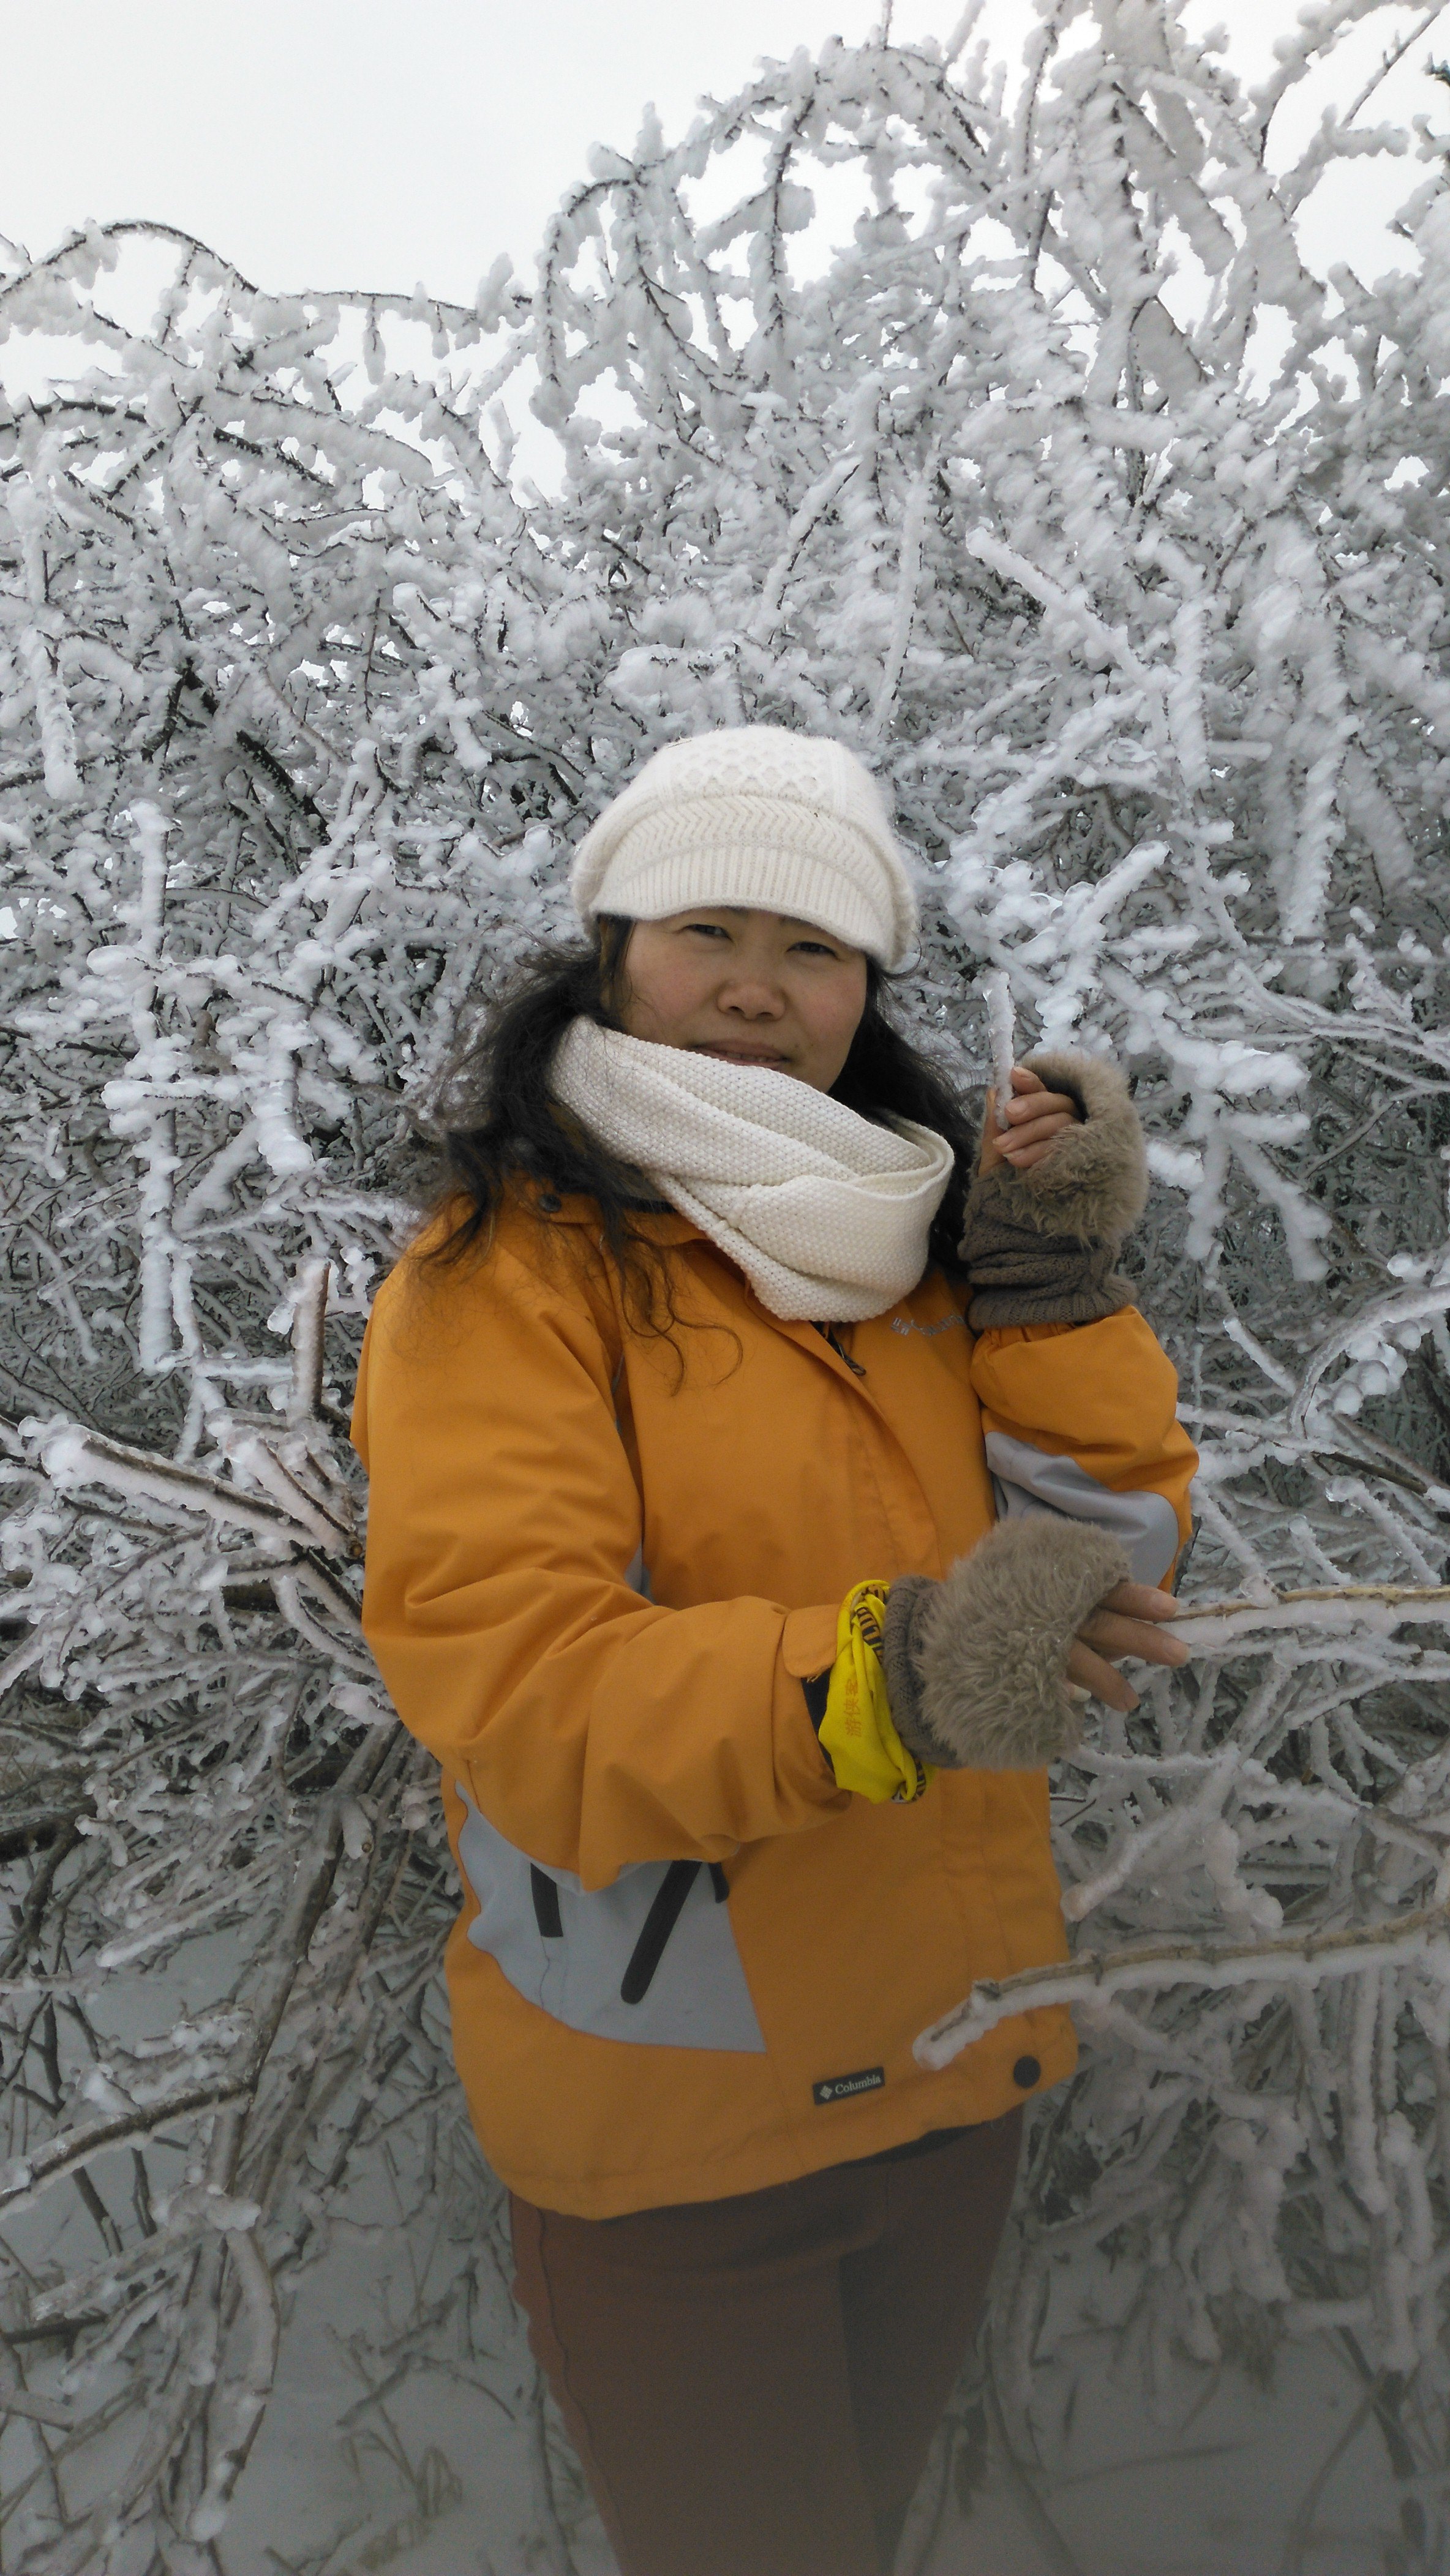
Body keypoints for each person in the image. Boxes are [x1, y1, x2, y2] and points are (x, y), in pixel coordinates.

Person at [351, 726, 1198, 2576]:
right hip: (678, 2143)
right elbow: (524, 1692)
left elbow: (1113, 1564)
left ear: (866, 990)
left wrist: (1049, 1284)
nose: (757, 985)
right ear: (612, 951)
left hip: (949, 2066)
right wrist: (887, 1672)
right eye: (707, 928)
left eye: (812, 947)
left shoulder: (912, 1258)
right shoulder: (507, 1276)